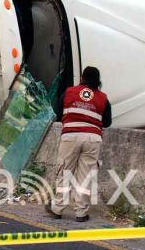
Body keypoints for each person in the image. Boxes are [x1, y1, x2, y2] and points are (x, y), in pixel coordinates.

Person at [46, 66, 112, 222]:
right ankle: (81, 212)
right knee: (85, 176)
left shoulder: (69, 92)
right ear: (98, 80)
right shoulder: (103, 98)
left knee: (64, 171)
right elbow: (107, 122)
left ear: (82, 78)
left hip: (71, 136)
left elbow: (58, 112)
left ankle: (57, 209)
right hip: (92, 139)